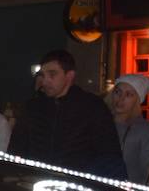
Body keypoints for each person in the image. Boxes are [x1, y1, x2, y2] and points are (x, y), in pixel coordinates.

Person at [9, 50, 126, 178]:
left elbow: (109, 155)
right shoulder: (33, 108)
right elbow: (17, 148)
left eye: (52, 74)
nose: (45, 81)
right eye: (42, 75)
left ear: (69, 76)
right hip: (35, 182)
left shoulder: (92, 108)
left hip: (76, 185)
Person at [111, 73, 149, 183]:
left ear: (137, 100)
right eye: (118, 92)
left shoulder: (145, 129)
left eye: (129, 95)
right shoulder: (101, 122)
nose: (121, 98)